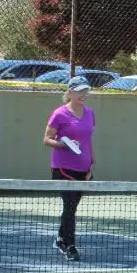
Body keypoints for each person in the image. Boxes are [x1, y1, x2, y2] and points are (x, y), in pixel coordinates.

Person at [43, 76, 96, 261]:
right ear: (70, 92)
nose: (84, 94)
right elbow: (47, 139)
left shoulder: (90, 113)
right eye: (80, 91)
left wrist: (92, 162)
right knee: (70, 205)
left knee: (71, 208)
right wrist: (63, 144)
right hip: (63, 167)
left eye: (86, 90)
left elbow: (88, 140)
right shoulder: (59, 113)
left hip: (83, 168)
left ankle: (60, 238)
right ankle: (70, 245)